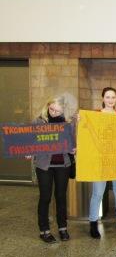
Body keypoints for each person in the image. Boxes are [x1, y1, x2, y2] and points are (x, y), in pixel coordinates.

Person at [32, 94, 77, 243]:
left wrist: (73, 149)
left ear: (63, 110)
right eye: (51, 109)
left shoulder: (68, 123)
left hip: (62, 164)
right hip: (44, 164)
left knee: (61, 197)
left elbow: (72, 143)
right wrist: (29, 151)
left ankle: (62, 227)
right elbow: (31, 141)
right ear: (47, 106)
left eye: (57, 111)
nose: (53, 113)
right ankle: (44, 229)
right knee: (45, 197)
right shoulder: (39, 121)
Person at [89, 87, 116, 239]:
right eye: (108, 97)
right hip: (101, 160)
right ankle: (93, 223)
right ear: (103, 98)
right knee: (98, 193)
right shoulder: (95, 115)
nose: (111, 100)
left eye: (113, 97)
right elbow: (88, 131)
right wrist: (81, 121)